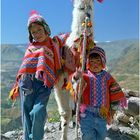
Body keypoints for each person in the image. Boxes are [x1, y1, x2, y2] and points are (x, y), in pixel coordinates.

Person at [9, 10, 62, 140]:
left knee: (38, 112)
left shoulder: (54, 43)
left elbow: (69, 40)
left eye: (39, 30)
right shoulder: (31, 47)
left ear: (45, 28)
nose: (37, 34)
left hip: (44, 84)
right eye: (33, 32)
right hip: (26, 83)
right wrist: (17, 85)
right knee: (26, 116)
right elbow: (24, 68)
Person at [71, 46, 126, 140]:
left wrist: (112, 113)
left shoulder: (107, 76)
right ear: (87, 62)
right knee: (88, 135)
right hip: (86, 111)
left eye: (98, 61)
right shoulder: (84, 75)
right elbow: (74, 85)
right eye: (92, 61)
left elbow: (115, 92)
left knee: (102, 135)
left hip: (102, 112)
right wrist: (76, 77)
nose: (95, 64)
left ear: (103, 62)